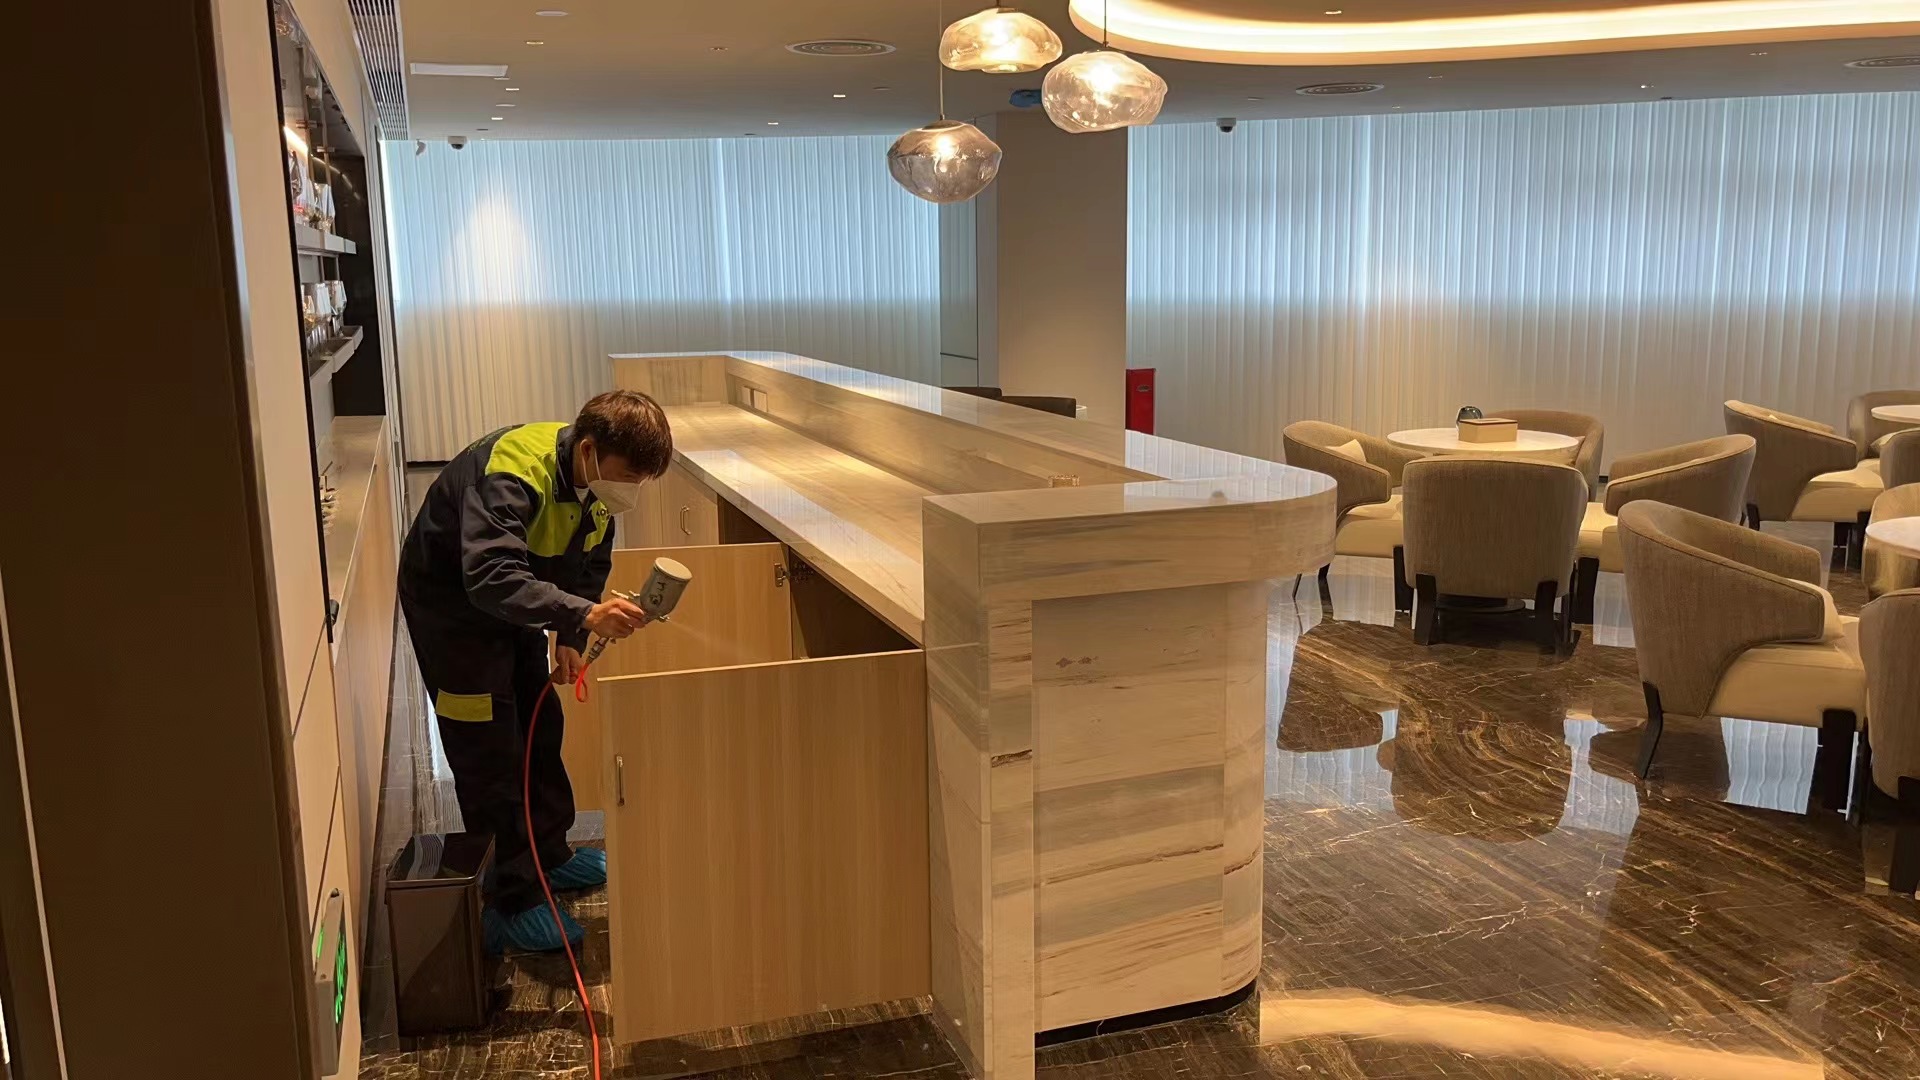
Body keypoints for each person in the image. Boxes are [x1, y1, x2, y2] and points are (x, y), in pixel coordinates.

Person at [397, 390, 672, 952]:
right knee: (489, 748)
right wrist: (583, 615)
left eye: (643, 481)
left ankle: (549, 853)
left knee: (538, 723)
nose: (633, 491)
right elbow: (490, 576)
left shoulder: (595, 490)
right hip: (453, 613)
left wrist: (570, 634)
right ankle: (512, 898)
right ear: (589, 449)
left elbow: (589, 564)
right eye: (630, 476)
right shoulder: (513, 474)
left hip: (511, 605)